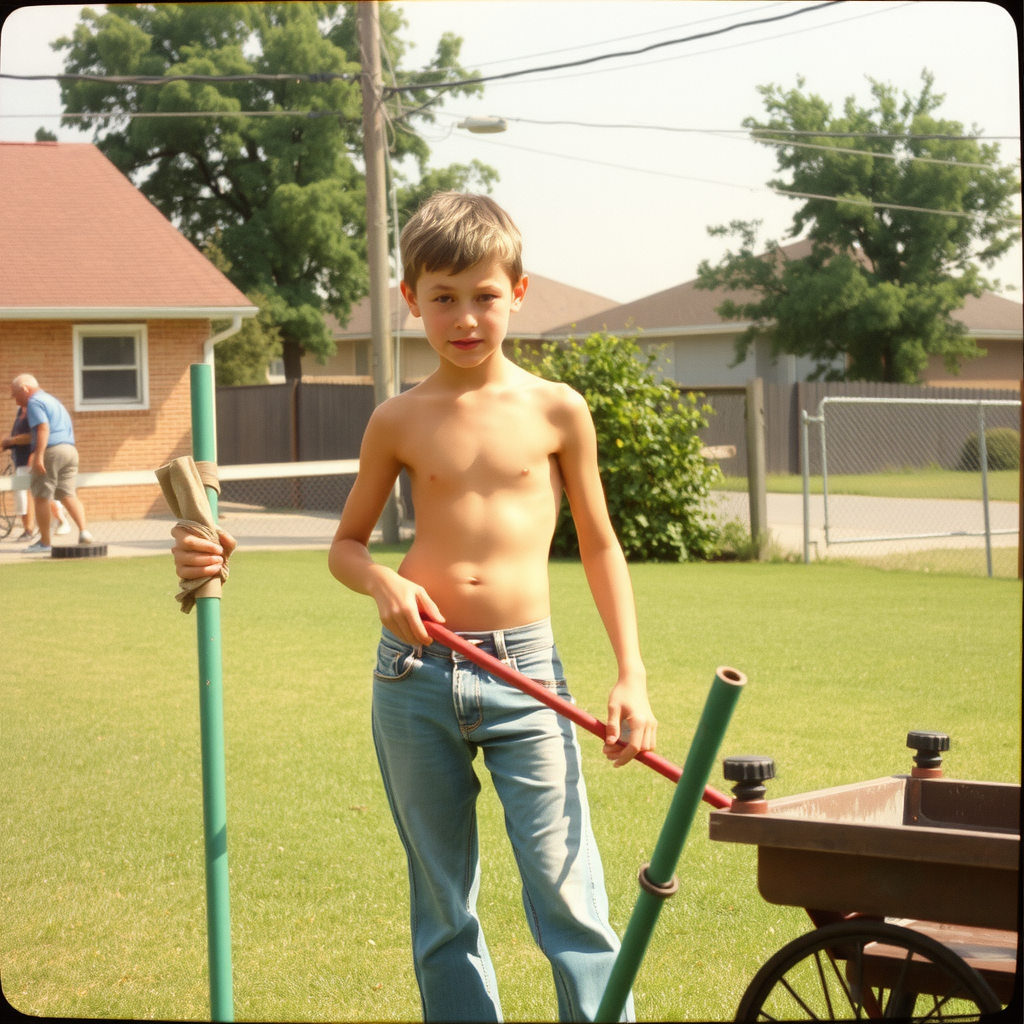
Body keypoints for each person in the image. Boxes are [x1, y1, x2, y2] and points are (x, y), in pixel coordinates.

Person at [171, 192, 655, 1023]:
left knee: (569, 892)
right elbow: (346, 545)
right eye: (443, 297)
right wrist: (384, 582)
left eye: (484, 296)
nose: (465, 318)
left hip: (525, 673)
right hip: (415, 676)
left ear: (519, 293)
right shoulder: (396, 419)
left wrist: (631, 676)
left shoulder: (557, 409)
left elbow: (602, 544)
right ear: (410, 300)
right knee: (442, 905)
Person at [9, 374, 94, 553]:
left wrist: (38, 455)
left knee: (40, 496)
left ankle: (45, 543)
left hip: (52, 451)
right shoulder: (54, 401)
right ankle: (84, 532)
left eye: (15, 394)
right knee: (68, 493)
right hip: (70, 451)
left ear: (25, 389)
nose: (15, 400)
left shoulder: (35, 402)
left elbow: (43, 428)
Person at [1, 400, 72, 541]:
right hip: (20, 460)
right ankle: (31, 528)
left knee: (34, 493)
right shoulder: (20, 412)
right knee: (25, 494)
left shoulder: (33, 413)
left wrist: (13, 441)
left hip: (31, 459)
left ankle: (52, 521)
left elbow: (35, 436)